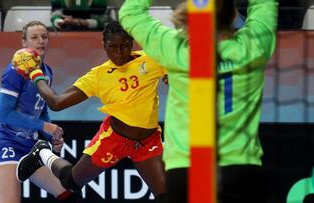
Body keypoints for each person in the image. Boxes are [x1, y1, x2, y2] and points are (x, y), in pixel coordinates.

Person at [119, 0, 277, 202]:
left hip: (187, 170)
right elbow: (265, 4)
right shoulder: (253, 46)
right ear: (231, 15)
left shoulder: (174, 48)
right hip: (239, 169)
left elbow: (130, 13)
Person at [15, 21, 167, 202]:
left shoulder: (152, 60)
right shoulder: (97, 76)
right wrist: (35, 73)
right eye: (112, 47)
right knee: (71, 181)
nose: (119, 52)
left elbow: (179, 70)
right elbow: (56, 103)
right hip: (114, 139)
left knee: (167, 197)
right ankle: (42, 153)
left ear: (132, 43)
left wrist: (172, 75)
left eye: (124, 46)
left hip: (147, 140)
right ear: (103, 45)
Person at [0, 21, 78, 203]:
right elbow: (5, 115)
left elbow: (40, 110)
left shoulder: (46, 72)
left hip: (30, 147)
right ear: (24, 43)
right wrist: (44, 126)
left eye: (44, 37)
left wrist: (51, 136)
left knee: (68, 193)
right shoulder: (14, 71)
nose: (40, 41)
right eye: (34, 37)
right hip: (5, 143)